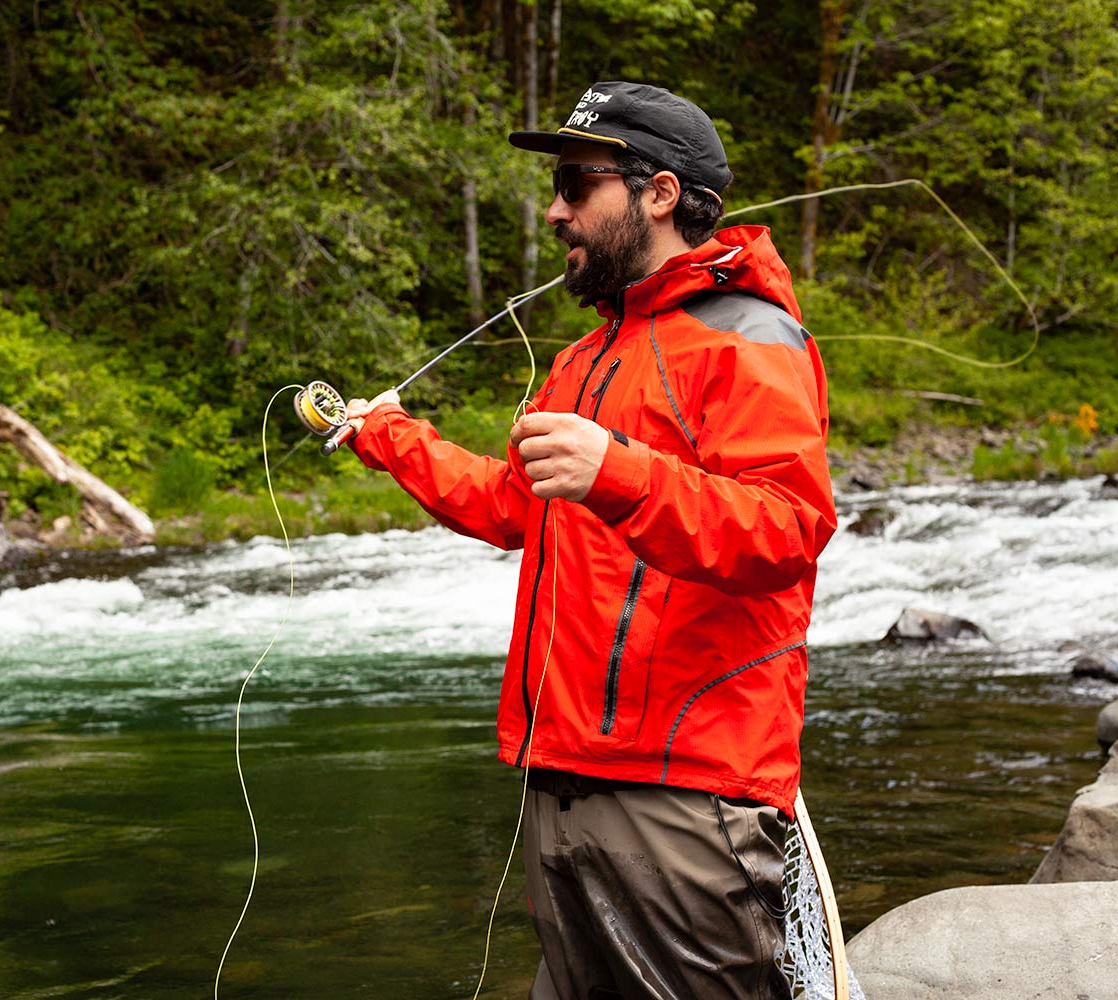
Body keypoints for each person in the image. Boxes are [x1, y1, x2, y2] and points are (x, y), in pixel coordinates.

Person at [344, 81, 837, 1000]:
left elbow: (788, 532)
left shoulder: (750, 339)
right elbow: (512, 506)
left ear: (657, 194)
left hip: (686, 803)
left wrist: (619, 473)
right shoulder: (582, 357)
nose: (556, 208)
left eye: (578, 183)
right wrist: (390, 437)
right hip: (561, 783)